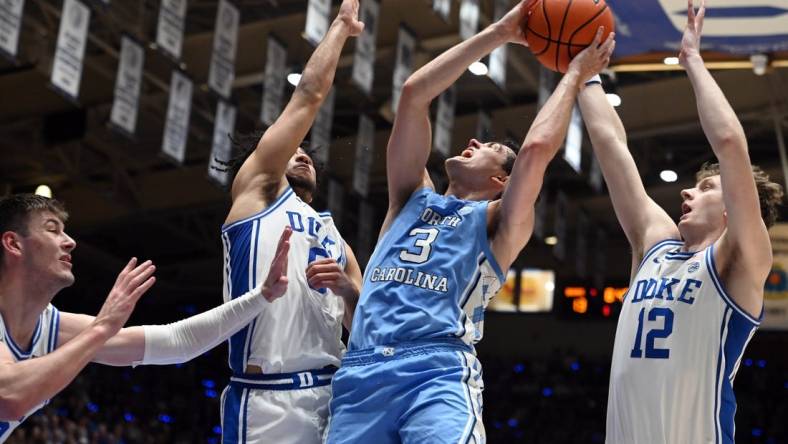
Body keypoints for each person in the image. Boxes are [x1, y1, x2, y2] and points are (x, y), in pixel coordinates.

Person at [324, 1, 615, 442]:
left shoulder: (498, 221)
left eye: (490, 146)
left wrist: (574, 74)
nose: (473, 139)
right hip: (361, 371)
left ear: (501, 180)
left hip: (434, 373)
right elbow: (413, 94)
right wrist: (498, 32)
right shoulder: (409, 198)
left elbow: (535, 150)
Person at [576, 1, 784, 442]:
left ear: (733, 211)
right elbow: (611, 144)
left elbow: (730, 143)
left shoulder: (739, 260)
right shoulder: (655, 245)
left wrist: (691, 59)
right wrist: (583, 74)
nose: (687, 192)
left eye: (706, 188)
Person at [0, 193, 294, 442]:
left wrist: (260, 296)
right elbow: (12, 397)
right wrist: (101, 327)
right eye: (53, 230)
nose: (70, 241)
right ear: (13, 244)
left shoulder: (50, 326)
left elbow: (177, 342)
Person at [215, 1, 364, 443]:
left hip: (334, 395)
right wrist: (339, 29)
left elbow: (367, 325)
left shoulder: (338, 241)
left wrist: (350, 290)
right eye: (291, 148)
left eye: (308, 153)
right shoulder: (257, 192)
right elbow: (308, 97)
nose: (301, 152)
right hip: (268, 400)